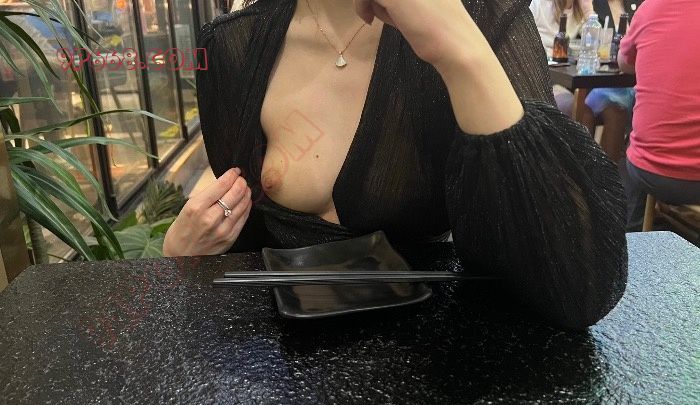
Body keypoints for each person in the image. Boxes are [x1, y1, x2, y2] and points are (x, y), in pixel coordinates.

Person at [163, 0, 628, 330]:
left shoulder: (486, 17)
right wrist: (177, 262)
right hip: (289, 371)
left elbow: (579, 289)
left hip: (440, 365)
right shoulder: (234, 44)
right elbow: (245, 229)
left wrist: (461, 54)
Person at [618, 0, 700, 230]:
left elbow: (624, 63)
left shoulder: (650, 8)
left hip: (651, 172)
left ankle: (633, 235)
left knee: (637, 142)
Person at [530, 0, 634, 162]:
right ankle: (578, 170)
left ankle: (605, 172)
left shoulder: (578, 9)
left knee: (614, 109)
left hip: (569, 80)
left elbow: (598, 45)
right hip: (541, 80)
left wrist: (589, 12)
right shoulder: (540, 4)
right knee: (581, 108)